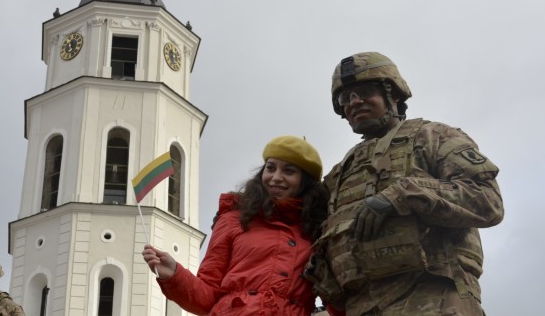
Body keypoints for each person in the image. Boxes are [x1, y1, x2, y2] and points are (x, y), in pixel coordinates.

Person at [307, 52, 504, 316]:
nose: (355, 102)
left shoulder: (432, 136)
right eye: (346, 98)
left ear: (394, 95)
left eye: (365, 91)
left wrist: (402, 195)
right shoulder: (340, 173)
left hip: (434, 298)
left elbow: (487, 202)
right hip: (360, 306)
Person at [142, 135, 329, 315]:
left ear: (305, 182)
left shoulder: (320, 229)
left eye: (289, 171)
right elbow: (206, 297)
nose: (276, 177)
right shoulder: (233, 219)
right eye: (270, 168)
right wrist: (174, 275)